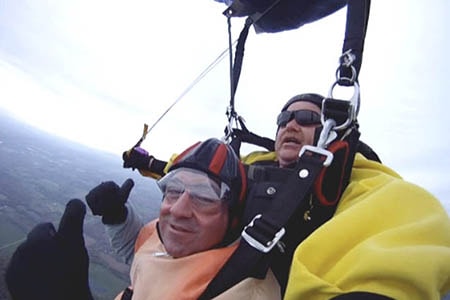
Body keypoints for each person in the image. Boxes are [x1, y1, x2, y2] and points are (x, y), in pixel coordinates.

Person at [123, 93, 450, 299]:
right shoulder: (252, 164)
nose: (291, 124)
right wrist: (146, 162)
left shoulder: (349, 179)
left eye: (308, 118)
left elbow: (410, 221)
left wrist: (378, 291)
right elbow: (202, 178)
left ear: (331, 132)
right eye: (284, 118)